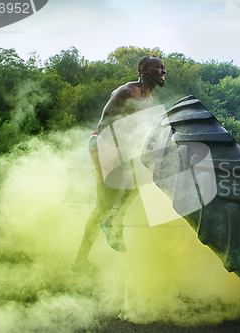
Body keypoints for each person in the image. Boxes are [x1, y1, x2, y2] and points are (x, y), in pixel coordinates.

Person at [70, 55, 167, 275]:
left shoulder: (149, 100)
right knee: (103, 207)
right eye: (158, 68)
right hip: (105, 144)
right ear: (144, 70)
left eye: (164, 69)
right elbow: (106, 127)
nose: (163, 72)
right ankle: (81, 261)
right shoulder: (127, 92)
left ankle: (113, 223)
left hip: (122, 149)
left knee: (147, 170)